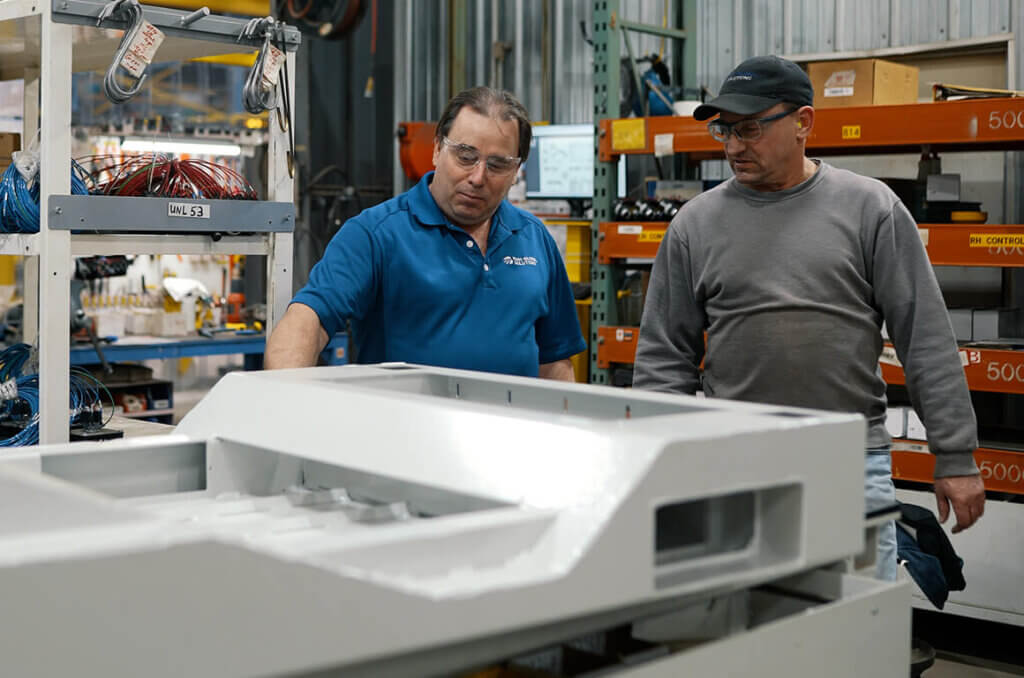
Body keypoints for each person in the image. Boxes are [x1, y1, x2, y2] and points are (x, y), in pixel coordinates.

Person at [632, 55, 984, 580]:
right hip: (738, 460)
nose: (732, 146)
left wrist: (955, 456)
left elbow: (925, 338)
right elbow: (664, 356)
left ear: (803, 123)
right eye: (724, 129)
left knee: (859, 629)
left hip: (849, 460)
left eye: (749, 128)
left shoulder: (871, 210)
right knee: (745, 628)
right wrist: (665, 462)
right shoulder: (694, 225)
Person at [265, 86, 585, 380]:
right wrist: (282, 399)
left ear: (517, 170)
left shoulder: (535, 239)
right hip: (408, 437)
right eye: (465, 156)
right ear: (436, 150)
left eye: (498, 165)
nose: (477, 177)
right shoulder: (376, 235)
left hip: (513, 436)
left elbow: (555, 359)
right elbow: (310, 318)